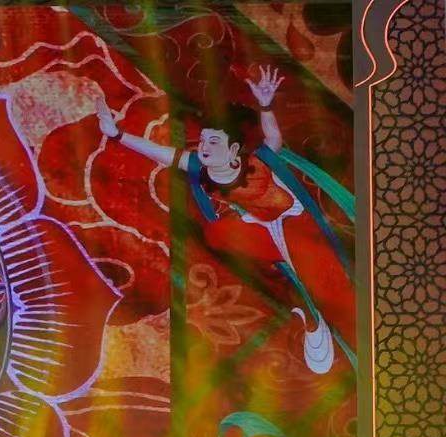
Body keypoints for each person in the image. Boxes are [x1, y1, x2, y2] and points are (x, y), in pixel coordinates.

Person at [95, 65, 354, 374]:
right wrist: (117, 134)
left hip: (295, 224)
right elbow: (160, 153)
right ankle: (310, 311)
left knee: (330, 289)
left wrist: (265, 104)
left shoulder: (257, 162)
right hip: (262, 235)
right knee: (218, 232)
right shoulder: (199, 167)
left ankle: (331, 325)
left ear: (233, 150)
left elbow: (273, 138)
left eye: (214, 142)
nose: (204, 147)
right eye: (203, 141)